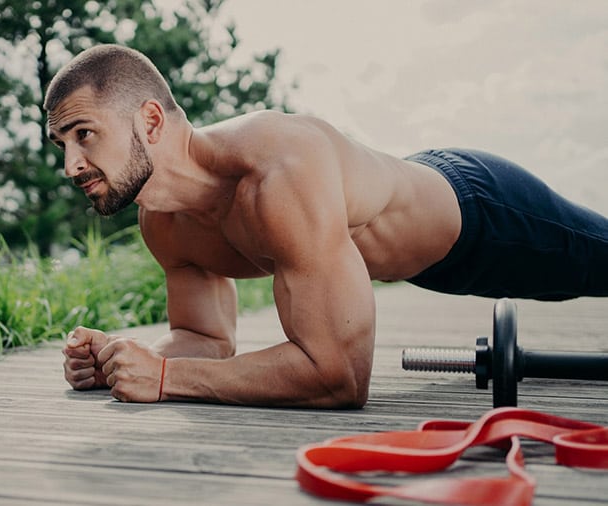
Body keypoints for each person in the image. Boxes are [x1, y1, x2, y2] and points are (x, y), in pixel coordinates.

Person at [44, 44, 608, 408]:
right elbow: (206, 340)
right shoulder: (163, 222)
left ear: (149, 120)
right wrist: (124, 359)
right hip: (429, 259)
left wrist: (166, 380)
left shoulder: (277, 171)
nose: (70, 165)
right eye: (62, 145)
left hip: (483, 213)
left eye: (84, 135)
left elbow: (338, 376)